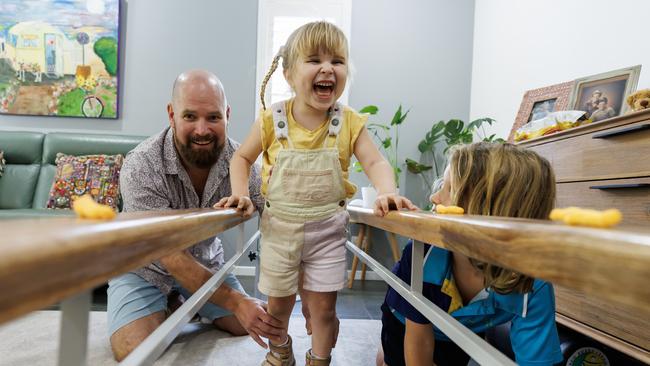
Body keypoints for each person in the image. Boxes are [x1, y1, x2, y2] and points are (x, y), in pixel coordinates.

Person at [216, 21, 417, 366]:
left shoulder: (349, 121)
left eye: (337, 61)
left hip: (327, 233)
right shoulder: (271, 119)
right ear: (289, 73)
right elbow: (241, 158)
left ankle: (319, 358)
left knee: (324, 308)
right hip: (280, 232)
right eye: (314, 59)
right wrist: (240, 194)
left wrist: (387, 192)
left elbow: (375, 161)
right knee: (277, 306)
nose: (328, 68)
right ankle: (280, 352)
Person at [108, 70, 283, 361]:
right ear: (171, 114)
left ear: (227, 114)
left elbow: (277, 220)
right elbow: (169, 255)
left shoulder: (243, 163)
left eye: (213, 117)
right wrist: (234, 300)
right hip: (143, 268)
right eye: (190, 117)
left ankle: (189, 302)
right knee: (135, 349)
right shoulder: (141, 165)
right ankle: (175, 304)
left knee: (247, 324)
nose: (202, 130)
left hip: (206, 263)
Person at [377, 142, 564, 366]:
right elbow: (417, 341)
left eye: (448, 190)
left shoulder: (532, 282)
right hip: (404, 321)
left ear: (485, 209)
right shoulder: (422, 253)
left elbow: (538, 360)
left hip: (461, 331)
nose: (434, 198)